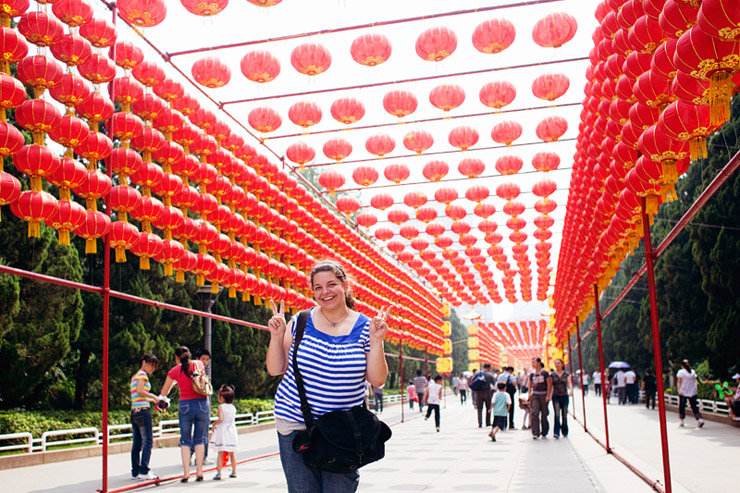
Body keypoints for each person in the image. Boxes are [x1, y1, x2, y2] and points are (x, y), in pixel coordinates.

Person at [266, 260, 390, 493]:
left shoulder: (366, 327)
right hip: (296, 422)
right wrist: (277, 335)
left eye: (331, 284)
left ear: (345, 285)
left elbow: (377, 380)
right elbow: (276, 368)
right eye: (318, 287)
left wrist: (376, 341)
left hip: (342, 429)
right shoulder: (300, 322)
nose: (325, 292)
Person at [159, 347, 209, 482]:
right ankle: (199, 471)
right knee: (199, 439)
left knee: (185, 440)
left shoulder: (174, 371)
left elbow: (164, 392)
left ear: (176, 358)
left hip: (185, 405)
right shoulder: (198, 364)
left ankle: (186, 473)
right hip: (202, 404)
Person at [130, 354, 160, 481]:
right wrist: (154, 397)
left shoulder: (135, 376)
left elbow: (138, 394)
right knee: (148, 441)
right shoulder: (142, 375)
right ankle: (144, 470)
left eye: (154, 366)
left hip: (135, 411)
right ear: (144, 362)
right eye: (151, 365)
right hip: (143, 411)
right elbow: (140, 390)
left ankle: (136, 471)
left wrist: (152, 401)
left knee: (137, 443)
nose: (152, 368)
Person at [191, 348, 213, 466]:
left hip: (195, 403)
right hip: (201, 404)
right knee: (203, 432)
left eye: (207, 360)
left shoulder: (195, 371)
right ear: (197, 359)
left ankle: (192, 454)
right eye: (203, 359)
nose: (205, 362)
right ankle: (202, 457)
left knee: (199, 432)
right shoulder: (199, 372)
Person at [212, 385, 238, 480]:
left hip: (223, 431)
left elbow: (221, 419)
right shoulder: (233, 408)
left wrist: (214, 424)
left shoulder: (221, 407)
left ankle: (219, 473)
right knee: (232, 453)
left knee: (220, 452)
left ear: (222, 398)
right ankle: (234, 471)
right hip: (231, 430)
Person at [676, 359, 704, 428]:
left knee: (682, 406)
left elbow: (679, 381)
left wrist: (679, 390)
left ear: (682, 366)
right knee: (694, 406)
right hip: (693, 391)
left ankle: (682, 421)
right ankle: (699, 419)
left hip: (684, 391)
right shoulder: (693, 372)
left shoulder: (681, 372)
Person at [528, 357, 551, 439]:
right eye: (532, 362)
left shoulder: (545, 373)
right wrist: (529, 393)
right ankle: (535, 432)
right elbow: (530, 384)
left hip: (544, 394)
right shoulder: (532, 374)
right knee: (534, 412)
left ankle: (544, 431)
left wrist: (548, 395)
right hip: (535, 395)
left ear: (539, 363)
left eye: (534, 362)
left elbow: (549, 384)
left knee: (544, 414)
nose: (532, 364)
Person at [550, 358, 573, 439]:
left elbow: (569, 383)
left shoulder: (566, 374)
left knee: (564, 414)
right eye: (556, 363)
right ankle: (556, 432)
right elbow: (551, 385)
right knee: (557, 413)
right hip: (555, 396)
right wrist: (549, 395)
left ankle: (564, 430)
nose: (557, 365)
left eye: (558, 363)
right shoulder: (552, 374)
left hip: (564, 396)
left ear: (562, 364)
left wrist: (571, 390)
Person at [472, 363, 496, 428]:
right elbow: (494, 384)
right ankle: (488, 422)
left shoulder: (478, 373)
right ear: (489, 368)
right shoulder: (490, 375)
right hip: (487, 392)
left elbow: (473, 380)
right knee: (488, 407)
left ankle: (480, 423)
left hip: (478, 392)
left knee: (479, 408)